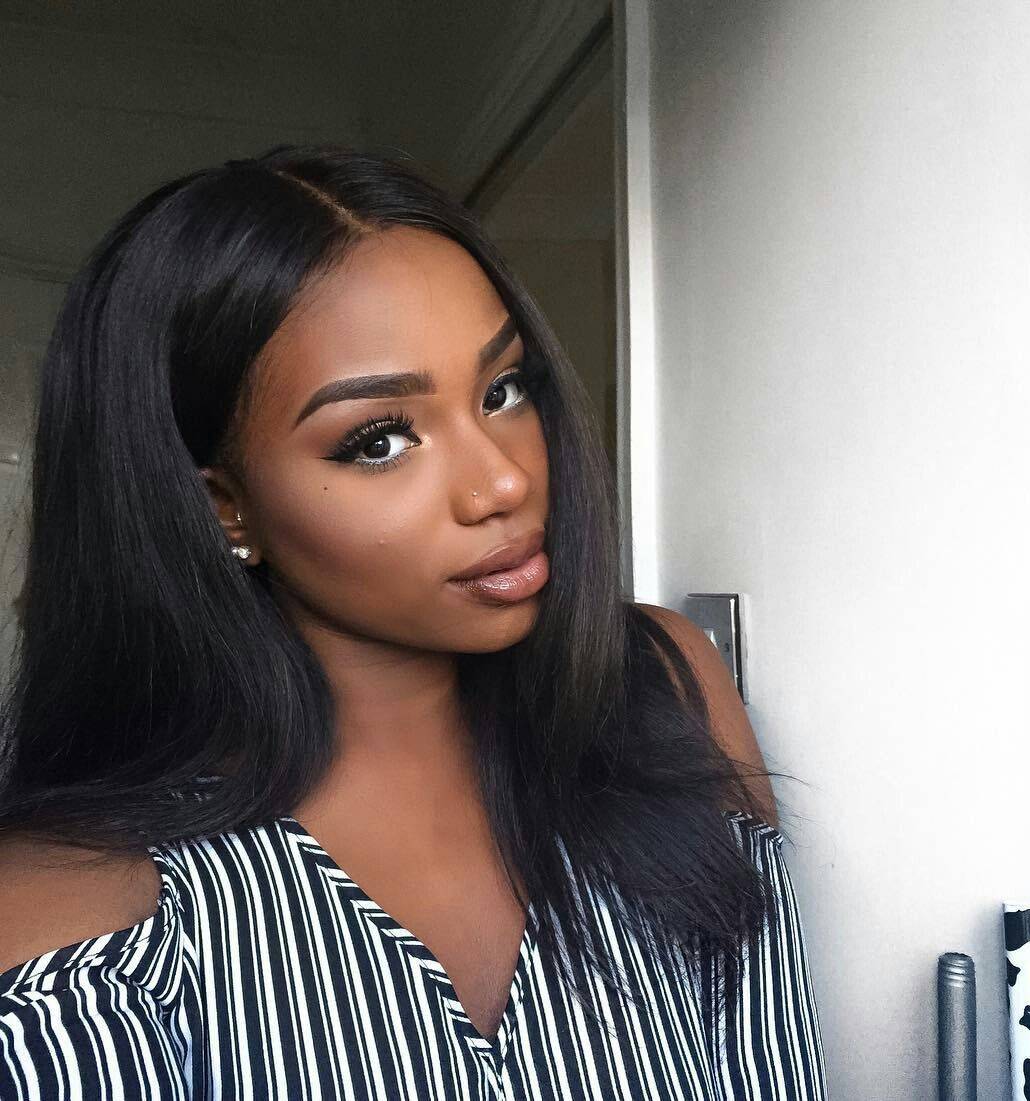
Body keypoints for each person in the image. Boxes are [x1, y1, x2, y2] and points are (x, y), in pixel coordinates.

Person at [0, 144, 828, 1099]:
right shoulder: (84, 916)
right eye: (379, 440)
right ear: (223, 506)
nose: (502, 481)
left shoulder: (656, 689)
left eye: (502, 390)